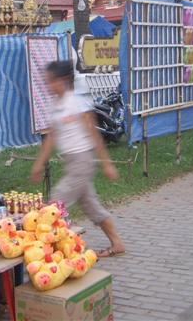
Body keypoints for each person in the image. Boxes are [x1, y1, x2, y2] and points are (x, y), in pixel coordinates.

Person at [30, 60, 125, 258]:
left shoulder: (78, 103)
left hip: (82, 162)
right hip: (71, 163)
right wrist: (38, 164)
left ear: (63, 80)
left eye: (51, 81)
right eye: (47, 82)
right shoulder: (55, 106)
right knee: (91, 206)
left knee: (55, 204)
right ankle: (117, 244)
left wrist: (107, 165)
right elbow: (52, 137)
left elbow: (95, 135)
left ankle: (48, 251)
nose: (49, 86)